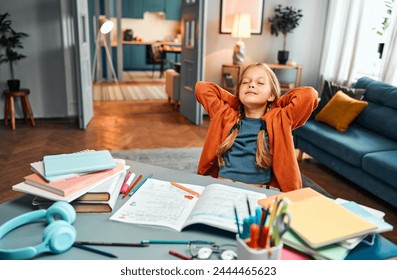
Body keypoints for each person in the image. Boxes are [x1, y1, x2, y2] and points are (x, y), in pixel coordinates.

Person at [195, 63, 318, 192]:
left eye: (260, 83)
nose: (251, 85)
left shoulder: (280, 119)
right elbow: (201, 88)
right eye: (245, 82)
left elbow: (309, 95)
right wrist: (237, 100)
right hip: (221, 188)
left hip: (255, 194)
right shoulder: (225, 115)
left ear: (271, 94)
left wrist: (275, 103)